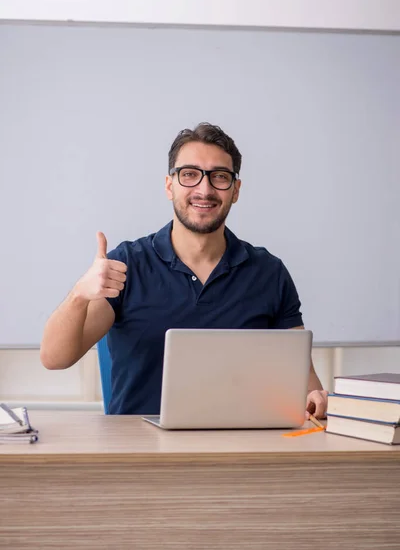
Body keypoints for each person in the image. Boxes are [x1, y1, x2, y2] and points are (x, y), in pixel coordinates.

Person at [40, 122, 328, 418]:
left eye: (219, 177)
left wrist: (315, 400)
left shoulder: (269, 273)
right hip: (139, 452)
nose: (204, 189)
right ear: (170, 185)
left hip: (240, 448)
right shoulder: (126, 264)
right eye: (190, 175)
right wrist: (79, 295)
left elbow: (305, 386)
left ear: (236, 190)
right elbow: (54, 358)